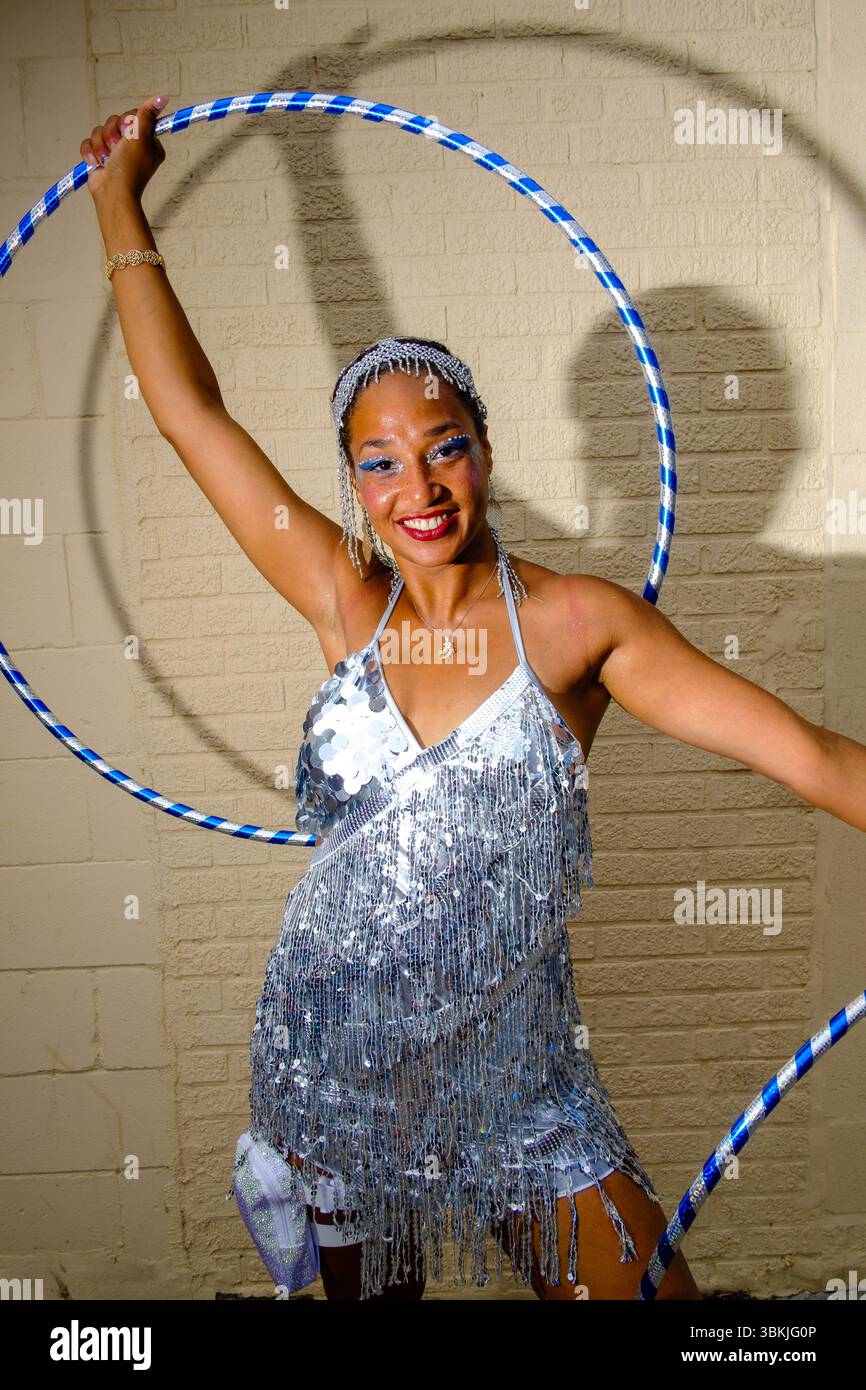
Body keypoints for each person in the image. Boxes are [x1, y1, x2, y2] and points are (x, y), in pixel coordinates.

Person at [84, 97, 866, 1303]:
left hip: (517, 1083)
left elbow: (810, 756)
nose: (417, 485)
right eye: (379, 462)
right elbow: (192, 416)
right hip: (329, 1074)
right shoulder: (344, 603)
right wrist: (122, 206)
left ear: (485, 449)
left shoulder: (577, 625)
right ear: (351, 483)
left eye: (441, 445)